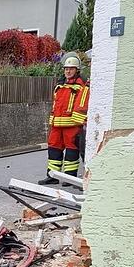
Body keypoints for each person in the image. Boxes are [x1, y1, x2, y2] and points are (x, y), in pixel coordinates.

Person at [39, 56, 89, 186]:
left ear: (77, 70)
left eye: (71, 69)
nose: (68, 71)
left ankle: (69, 177)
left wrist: (77, 122)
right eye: (66, 69)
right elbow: (56, 104)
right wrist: (52, 120)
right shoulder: (60, 85)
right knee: (53, 149)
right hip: (57, 125)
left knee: (71, 151)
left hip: (72, 125)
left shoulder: (81, 86)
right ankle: (52, 176)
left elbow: (81, 105)